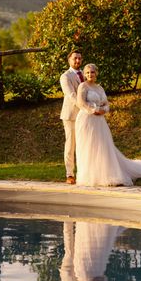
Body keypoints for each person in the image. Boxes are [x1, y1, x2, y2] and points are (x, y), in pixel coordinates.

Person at [75, 63, 141, 186]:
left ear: (96, 73)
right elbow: (80, 103)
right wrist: (94, 110)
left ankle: (107, 173)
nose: (90, 74)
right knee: (89, 146)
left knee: (103, 146)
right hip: (87, 120)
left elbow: (106, 103)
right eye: (87, 72)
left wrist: (105, 110)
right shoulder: (83, 86)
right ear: (84, 74)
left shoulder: (100, 88)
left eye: (92, 72)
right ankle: (90, 176)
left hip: (99, 121)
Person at [60, 50, 84, 184]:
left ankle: (84, 172)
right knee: (70, 145)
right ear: (69, 60)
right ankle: (69, 174)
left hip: (86, 116)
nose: (77, 61)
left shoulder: (85, 74)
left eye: (79, 58)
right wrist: (85, 107)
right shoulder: (65, 76)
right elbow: (71, 95)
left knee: (84, 144)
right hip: (71, 115)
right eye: (75, 58)